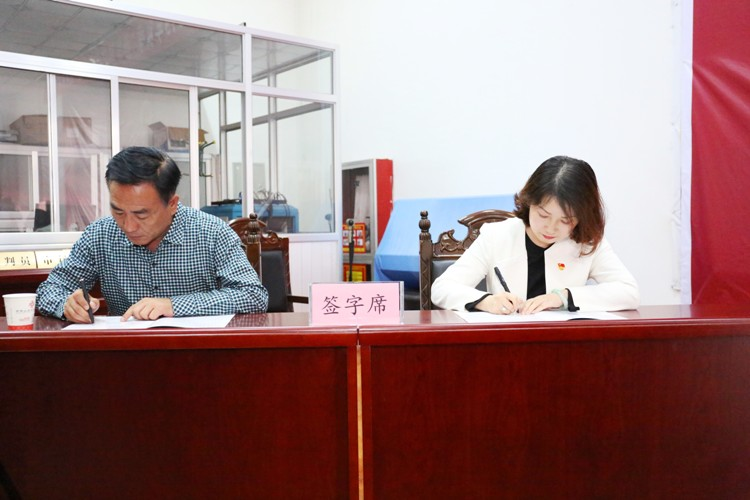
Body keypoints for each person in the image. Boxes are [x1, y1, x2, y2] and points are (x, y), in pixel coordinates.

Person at [36, 146, 268, 323]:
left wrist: (173, 306)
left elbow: (253, 296)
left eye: (142, 214)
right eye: (118, 211)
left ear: (172, 204)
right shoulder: (100, 235)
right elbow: (49, 290)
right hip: (127, 356)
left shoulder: (212, 232)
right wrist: (67, 305)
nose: (128, 226)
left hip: (197, 355)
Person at [431, 155, 639, 314]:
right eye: (543, 215)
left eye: (566, 220)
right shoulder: (497, 235)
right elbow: (442, 288)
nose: (551, 228)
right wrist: (486, 301)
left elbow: (628, 292)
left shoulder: (587, 242)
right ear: (529, 201)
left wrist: (563, 297)